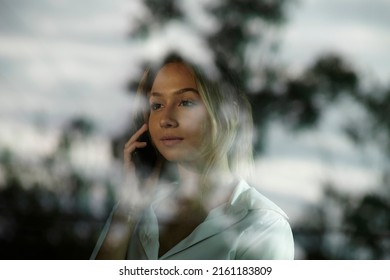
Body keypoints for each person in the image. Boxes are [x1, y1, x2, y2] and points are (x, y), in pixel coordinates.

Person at [90, 54, 294, 260]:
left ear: (227, 113)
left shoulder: (263, 224)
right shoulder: (137, 210)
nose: (166, 120)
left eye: (186, 102)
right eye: (157, 105)